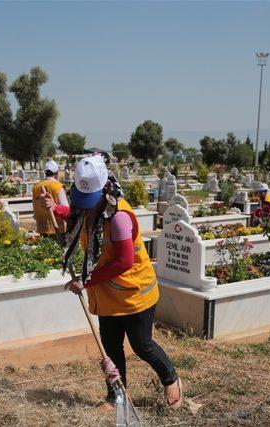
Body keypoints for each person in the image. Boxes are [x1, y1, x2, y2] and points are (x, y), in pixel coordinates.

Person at [41, 155, 182, 410]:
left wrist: (86, 280)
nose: (86, 206)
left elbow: (124, 262)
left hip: (134, 292)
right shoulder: (88, 208)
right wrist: (56, 208)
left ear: (104, 188)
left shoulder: (118, 217)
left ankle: (171, 379)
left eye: (90, 200)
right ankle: (117, 396)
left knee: (143, 346)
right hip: (106, 295)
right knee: (111, 349)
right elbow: (75, 214)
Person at [32, 160, 69, 236]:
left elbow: (35, 209)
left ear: (45, 172)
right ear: (56, 172)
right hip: (58, 230)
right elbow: (66, 210)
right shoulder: (58, 187)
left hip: (42, 229)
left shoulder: (36, 187)